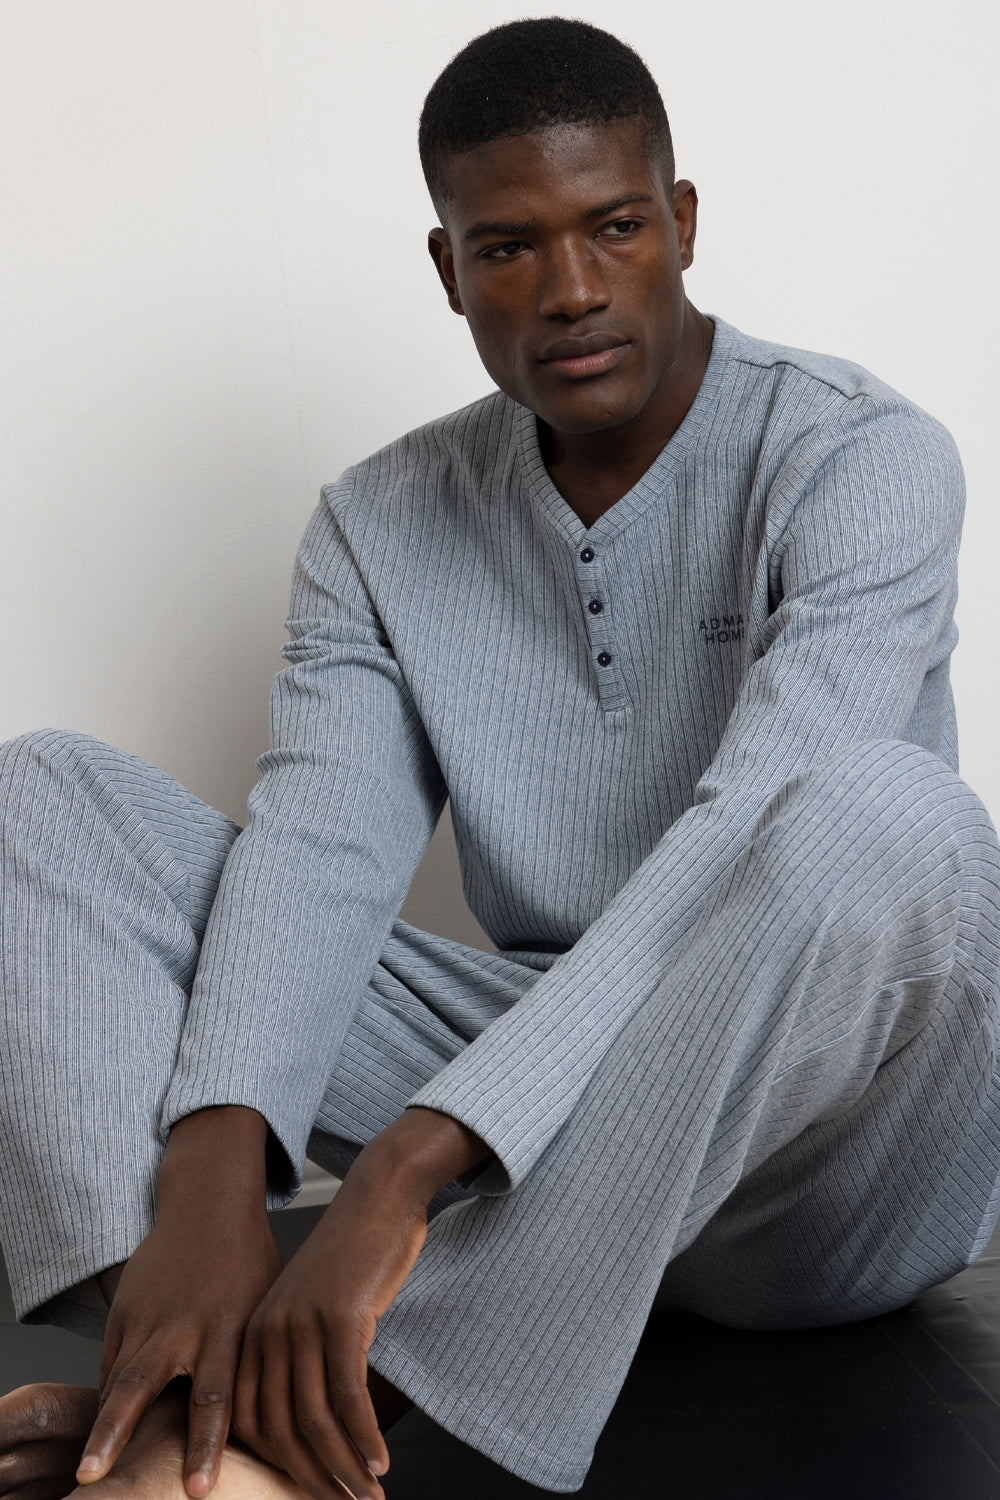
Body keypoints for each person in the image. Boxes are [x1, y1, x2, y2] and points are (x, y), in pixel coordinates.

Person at [2, 14, 999, 1500]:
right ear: (448, 266)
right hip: (543, 1114)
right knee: (42, 795)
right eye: (509, 247)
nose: (572, 288)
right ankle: (181, 1362)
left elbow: (751, 831)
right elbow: (319, 853)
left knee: (884, 811)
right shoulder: (378, 519)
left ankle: (326, 1409)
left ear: (682, 221)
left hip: (825, 1172)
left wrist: (419, 1152)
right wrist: (215, 1172)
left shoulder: (861, 457)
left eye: (615, 227)